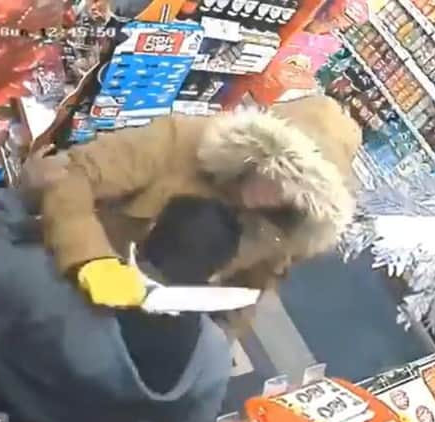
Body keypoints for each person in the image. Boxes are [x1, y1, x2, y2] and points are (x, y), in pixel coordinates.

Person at [31, 95, 362, 324]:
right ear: (256, 153)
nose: (271, 196)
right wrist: (91, 258)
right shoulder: (181, 142)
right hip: (61, 272)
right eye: (274, 176)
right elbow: (73, 174)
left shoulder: (279, 233)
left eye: (291, 196)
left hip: (144, 321)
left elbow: (244, 298)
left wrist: (205, 348)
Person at [0, 189, 242, 422]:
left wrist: (18, 198)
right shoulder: (213, 357)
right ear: (215, 274)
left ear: (148, 233)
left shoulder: (52, 285)